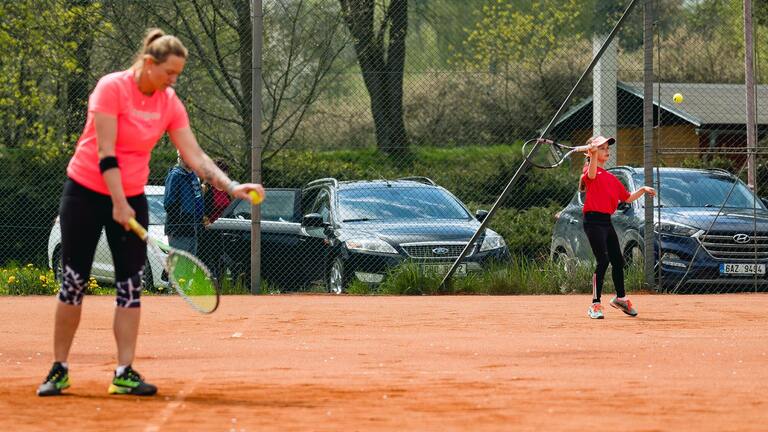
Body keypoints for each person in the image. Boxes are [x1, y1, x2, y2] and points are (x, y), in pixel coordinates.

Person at [37, 28, 265, 397]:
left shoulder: (168, 102)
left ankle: (124, 371)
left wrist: (230, 185)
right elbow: (104, 152)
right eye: (168, 73)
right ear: (148, 63)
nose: (172, 81)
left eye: (177, 75)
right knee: (74, 283)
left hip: (130, 195)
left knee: (130, 285)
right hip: (84, 192)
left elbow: (195, 155)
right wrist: (115, 199)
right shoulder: (111, 88)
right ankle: (59, 368)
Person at [579, 136, 655, 320]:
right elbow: (589, 175)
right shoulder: (589, 173)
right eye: (603, 148)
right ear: (593, 152)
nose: (607, 151)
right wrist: (592, 155)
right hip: (592, 221)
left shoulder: (611, 178)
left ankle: (620, 298)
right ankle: (595, 304)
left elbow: (627, 197)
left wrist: (643, 189)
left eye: (607, 148)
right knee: (603, 261)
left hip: (606, 221)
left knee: (618, 261)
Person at [164, 152, 204, 254]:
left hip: (193, 227)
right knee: (179, 264)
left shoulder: (193, 176)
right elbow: (169, 203)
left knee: (190, 265)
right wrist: (181, 221)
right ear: (182, 158)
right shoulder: (175, 176)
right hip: (179, 229)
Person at [203, 160, 232, 225]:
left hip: (226, 225)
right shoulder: (209, 190)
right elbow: (205, 211)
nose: (224, 174)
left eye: (225, 171)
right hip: (212, 226)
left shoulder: (227, 191)